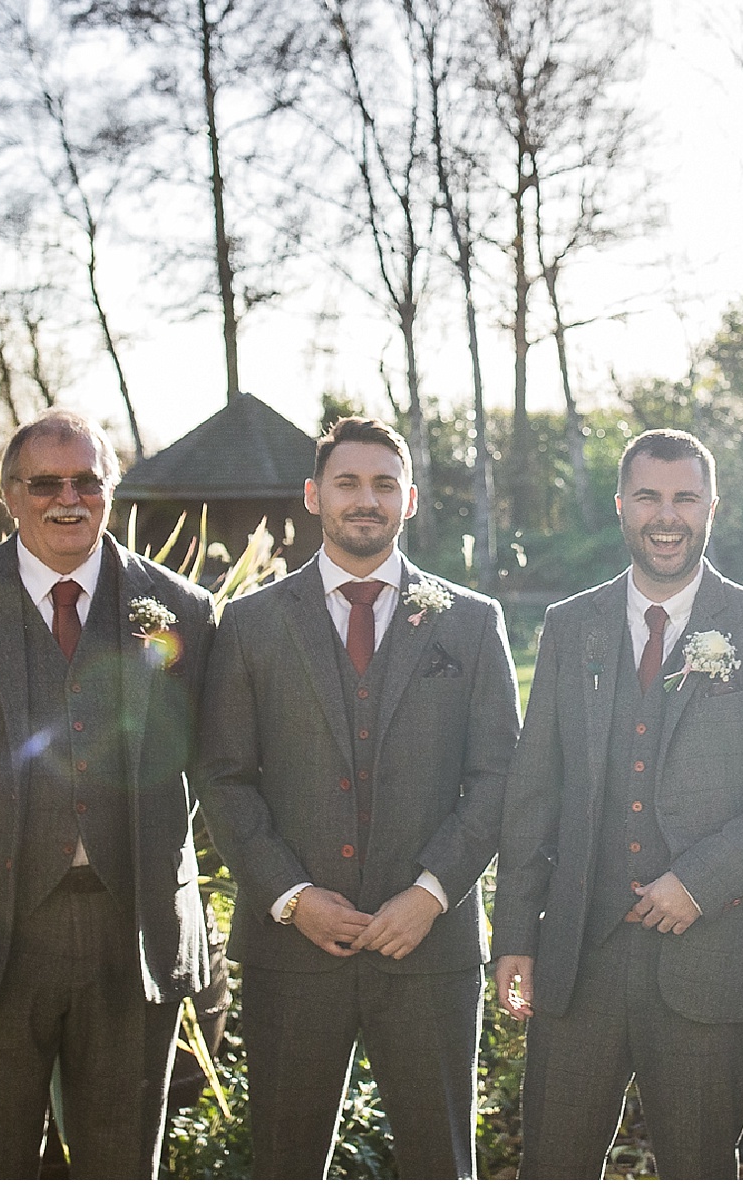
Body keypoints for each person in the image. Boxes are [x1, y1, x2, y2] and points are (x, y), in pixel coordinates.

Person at [0, 408, 216, 1178]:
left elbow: (201, 763)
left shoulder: (182, 608)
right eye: (46, 483)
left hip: (133, 932)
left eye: (87, 480)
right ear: (11, 496)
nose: (69, 498)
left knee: (123, 1163)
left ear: (111, 489)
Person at [494, 429, 743, 1178]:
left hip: (712, 960)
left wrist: (701, 881)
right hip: (582, 954)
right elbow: (534, 794)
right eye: (648, 495)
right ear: (621, 505)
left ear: (712, 506)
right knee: (550, 1167)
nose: (666, 515)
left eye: (685, 496)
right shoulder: (568, 626)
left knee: (698, 1169)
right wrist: (516, 932)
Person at [198, 416, 521, 1177]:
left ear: (409, 500)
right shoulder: (250, 625)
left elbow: (501, 775)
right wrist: (291, 895)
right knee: (285, 1163)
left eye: (383, 484)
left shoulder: (472, 624)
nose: (364, 500)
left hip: (429, 951)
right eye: (347, 482)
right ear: (314, 495)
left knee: (442, 1164)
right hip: (292, 949)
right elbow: (222, 776)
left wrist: (432, 892)